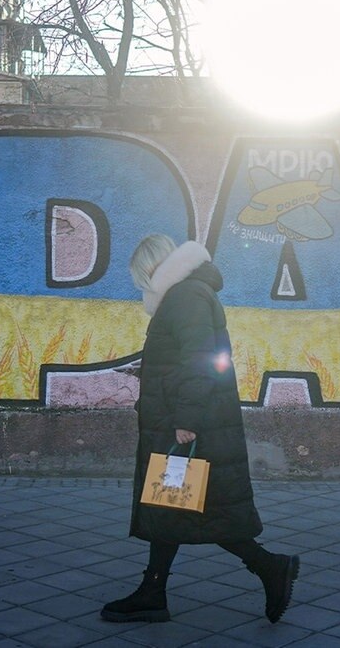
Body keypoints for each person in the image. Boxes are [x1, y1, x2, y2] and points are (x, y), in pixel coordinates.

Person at [101, 234, 299, 625]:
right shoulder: (186, 295)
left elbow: (200, 359)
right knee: (170, 506)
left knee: (203, 510)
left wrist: (186, 419)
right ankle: (153, 592)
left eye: (141, 276)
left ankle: (269, 566)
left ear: (151, 270)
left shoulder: (186, 296)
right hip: (182, 422)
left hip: (192, 428)